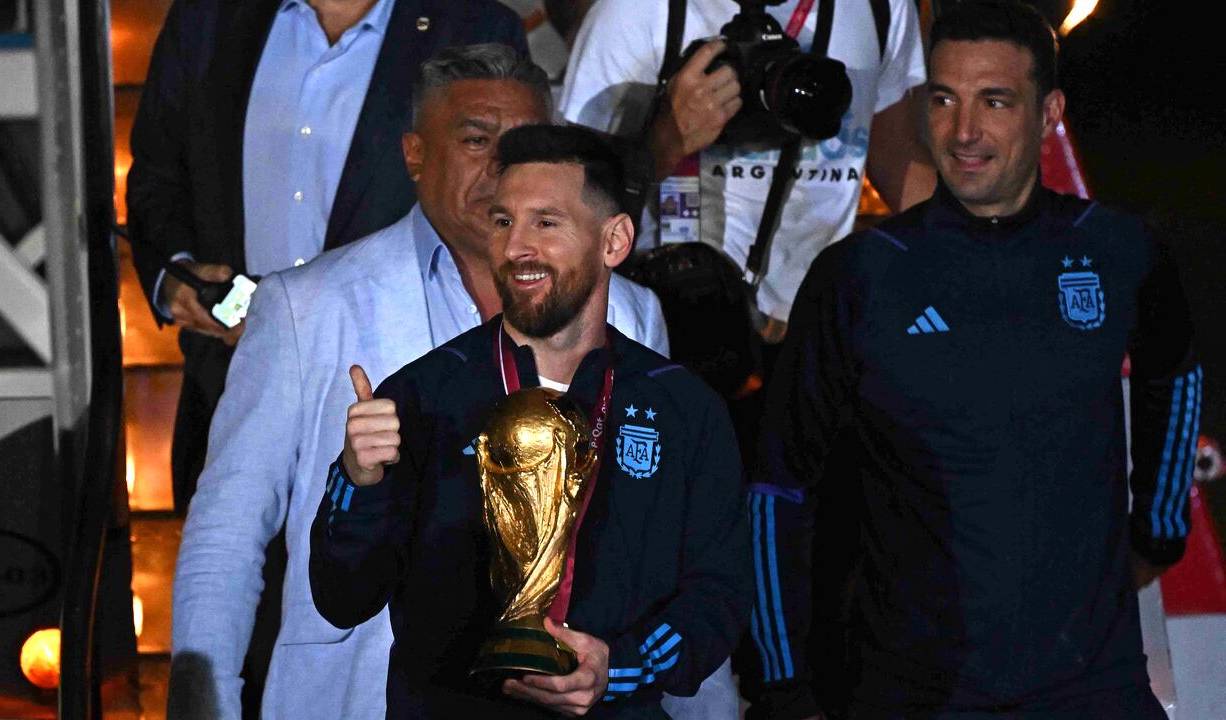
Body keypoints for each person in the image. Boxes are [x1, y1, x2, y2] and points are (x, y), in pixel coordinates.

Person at [168, 46, 669, 720]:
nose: (499, 165)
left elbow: (669, 539)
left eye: (519, 145)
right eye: (474, 139)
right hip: (365, 695)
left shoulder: (630, 311)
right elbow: (226, 533)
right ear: (414, 155)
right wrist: (202, 707)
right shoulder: (304, 308)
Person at [753, 3, 1198, 718]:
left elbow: (1173, 372)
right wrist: (783, 686)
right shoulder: (862, 274)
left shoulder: (1117, 251)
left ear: (1048, 111)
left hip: (1091, 686)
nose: (964, 132)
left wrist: (1159, 530)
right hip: (914, 691)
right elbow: (777, 488)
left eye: (995, 101)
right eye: (943, 99)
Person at [309, 123, 753, 718]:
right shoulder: (423, 395)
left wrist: (618, 666)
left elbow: (717, 598)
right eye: (502, 222)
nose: (517, 246)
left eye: (546, 222)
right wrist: (358, 484)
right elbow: (341, 598)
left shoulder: (684, 408)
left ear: (614, 240)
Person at [126, 0, 529, 513]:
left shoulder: (471, 23)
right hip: (231, 379)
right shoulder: (207, 18)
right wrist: (176, 278)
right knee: (226, 572)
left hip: (398, 401)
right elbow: (157, 177)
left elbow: (503, 203)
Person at [558, 0, 936, 343]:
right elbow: (572, 199)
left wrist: (979, 246)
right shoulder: (635, 11)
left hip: (822, 319)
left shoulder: (881, 7)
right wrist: (668, 139)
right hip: (674, 317)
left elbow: (896, 157)